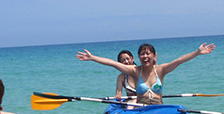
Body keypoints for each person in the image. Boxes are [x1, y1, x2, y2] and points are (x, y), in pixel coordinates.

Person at [77, 43, 216, 105]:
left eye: (148, 53)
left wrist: (197, 53)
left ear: (154, 55)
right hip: (141, 108)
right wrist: (93, 58)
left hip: (158, 107)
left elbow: (179, 60)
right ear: (138, 57)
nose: (145, 56)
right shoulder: (135, 71)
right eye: (142, 54)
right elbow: (113, 63)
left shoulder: (161, 70)